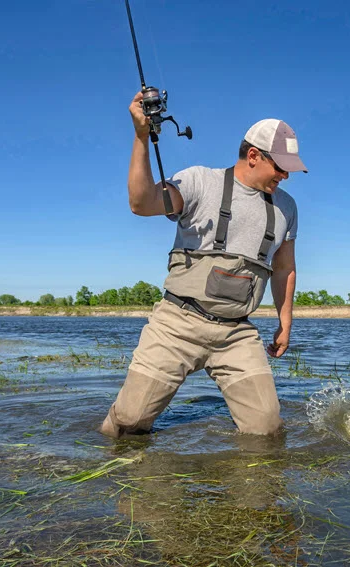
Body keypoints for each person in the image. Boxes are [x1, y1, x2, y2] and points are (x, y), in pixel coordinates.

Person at [99, 90, 306, 439]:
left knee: (267, 432)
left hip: (236, 332)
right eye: (281, 167)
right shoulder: (199, 181)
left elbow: (284, 268)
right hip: (177, 322)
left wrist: (285, 322)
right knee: (129, 423)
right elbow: (141, 202)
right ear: (253, 155)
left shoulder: (287, 208)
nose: (285, 176)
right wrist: (141, 137)